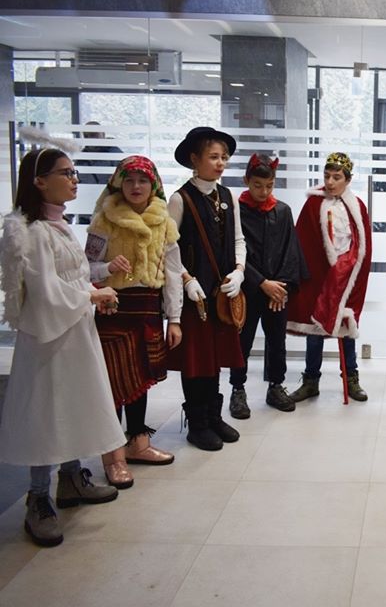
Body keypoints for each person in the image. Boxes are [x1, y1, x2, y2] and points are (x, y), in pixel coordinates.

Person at [0, 147, 125, 547]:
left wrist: (94, 291)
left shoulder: (60, 226)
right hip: (49, 338)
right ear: (39, 181)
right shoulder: (34, 232)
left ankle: (71, 477)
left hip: (73, 331)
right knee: (47, 412)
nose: (74, 179)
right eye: (65, 173)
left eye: (73, 172)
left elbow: (72, 276)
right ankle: (38, 497)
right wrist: (91, 295)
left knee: (72, 405)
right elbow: (45, 292)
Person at [85, 155, 182, 488]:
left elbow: (172, 273)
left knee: (140, 378)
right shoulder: (104, 219)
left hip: (148, 309)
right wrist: (108, 268)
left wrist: (175, 319)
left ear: (153, 185)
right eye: (129, 180)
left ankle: (138, 442)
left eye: (142, 181)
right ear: (119, 184)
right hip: (113, 308)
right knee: (114, 383)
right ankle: (113, 456)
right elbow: (85, 267)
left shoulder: (164, 222)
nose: (136, 187)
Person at [166, 127, 246, 451]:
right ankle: (197, 423)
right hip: (194, 296)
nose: (221, 163)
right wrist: (186, 279)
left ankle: (214, 416)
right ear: (194, 159)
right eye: (213, 157)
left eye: (224, 157)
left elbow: (239, 239)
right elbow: (167, 248)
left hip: (221, 293)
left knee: (215, 356)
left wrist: (239, 271)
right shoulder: (179, 199)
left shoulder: (228, 196)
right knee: (196, 359)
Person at [287, 152, 372, 403]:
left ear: (348, 179)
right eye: (327, 176)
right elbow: (303, 240)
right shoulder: (314, 204)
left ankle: (351, 378)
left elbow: (363, 244)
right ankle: (311, 381)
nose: (330, 182)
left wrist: (352, 270)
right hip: (320, 276)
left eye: (337, 177)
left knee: (346, 327)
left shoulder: (357, 206)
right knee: (316, 328)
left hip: (346, 276)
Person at [228, 153, 308, 418]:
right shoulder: (235, 211)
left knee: (277, 340)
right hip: (246, 288)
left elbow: (291, 251)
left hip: (277, 290)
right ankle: (237, 389)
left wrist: (280, 288)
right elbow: (233, 252)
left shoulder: (282, 211)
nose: (263, 192)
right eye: (257, 185)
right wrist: (261, 282)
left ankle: (275, 386)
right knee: (242, 340)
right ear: (246, 181)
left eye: (269, 186)